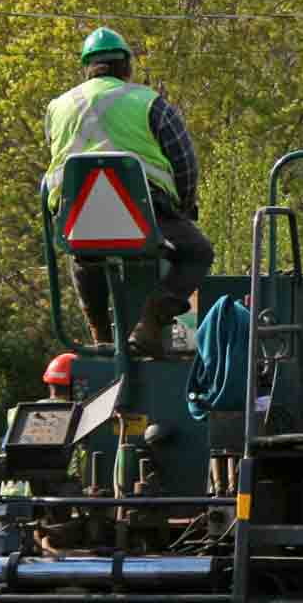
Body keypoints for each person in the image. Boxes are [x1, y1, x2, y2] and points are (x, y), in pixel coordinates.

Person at [45, 26, 213, 358]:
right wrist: (184, 205)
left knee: (83, 257)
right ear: (126, 67)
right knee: (197, 252)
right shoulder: (150, 103)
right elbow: (184, 163)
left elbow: (56, 154)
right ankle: (151, 321)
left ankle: (100, 333)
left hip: (78, 217)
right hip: (145, 211)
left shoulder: (58, 107)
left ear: (87, 68)